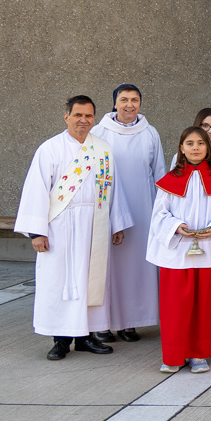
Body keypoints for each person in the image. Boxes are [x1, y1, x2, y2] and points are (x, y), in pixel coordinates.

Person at [16, 95, 132, 360]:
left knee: (91, 281)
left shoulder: (102, 148)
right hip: (60, 225)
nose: (83, 120)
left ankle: (86, 337)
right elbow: (36, 189)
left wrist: (117, 224)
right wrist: (37, 232)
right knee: (60, 280)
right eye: (78, 115)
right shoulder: (50, 148)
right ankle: (60, 340)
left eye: (89, 115)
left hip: (95, 224)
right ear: (66, 116)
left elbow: (114, 189)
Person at [147, 126, 211, 373]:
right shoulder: (169, 180)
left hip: (209, 251)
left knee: (204, 306)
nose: (195, 148)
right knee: (176, 307)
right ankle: (173, 355)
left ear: (208, 148)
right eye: (190, 143)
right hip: (178, 253)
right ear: (181, 148)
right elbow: (159, 214)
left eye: (200, 143)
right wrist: (176, 227)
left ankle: (199, 354)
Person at [90, 84, 164, 344]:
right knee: (108, 267)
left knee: (136, 268)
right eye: (124, 99)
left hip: (143, 210)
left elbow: (159, 173)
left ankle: (131, 322)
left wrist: (159, 213)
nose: (129, 105)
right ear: (115, 103)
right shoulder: (99, 132)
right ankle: (103, 324)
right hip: (107, 208)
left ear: (140, 104)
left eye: (134, 100)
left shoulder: (150, 133)